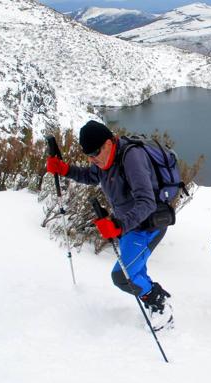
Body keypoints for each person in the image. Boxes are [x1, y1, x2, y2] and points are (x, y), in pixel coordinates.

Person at [46, 120, 173, 330]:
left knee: (122, 276)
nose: (93, 159)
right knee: (135, 271)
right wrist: (65, 169)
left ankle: (160, 306)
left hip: (147, 227)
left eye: (95, 153)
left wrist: (119, 225)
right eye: (89, 155)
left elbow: (147, 202)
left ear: (108, 143)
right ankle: (155, 298)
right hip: (129, 227)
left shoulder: (131, 158)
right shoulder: (105, 161)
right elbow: (91, 175)